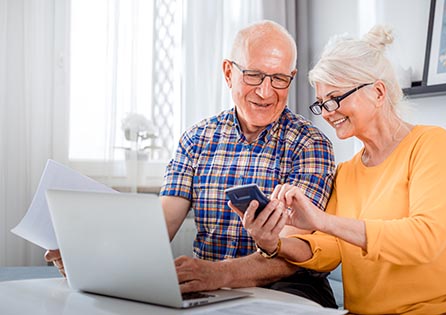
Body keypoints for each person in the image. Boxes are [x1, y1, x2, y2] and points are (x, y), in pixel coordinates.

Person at [46, 20, 338, 308]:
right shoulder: (197, 139)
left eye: (279, 79)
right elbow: (160, 228)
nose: (265, 91)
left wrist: (217, 273)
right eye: (253, 75)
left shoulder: (310, 145)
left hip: (288, 290)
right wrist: (91, 260)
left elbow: (293, 255)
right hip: (214, 290)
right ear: (228, 72)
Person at [233, 25, 446, 314]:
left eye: (334, 98)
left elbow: (425, 238)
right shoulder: (346, 173)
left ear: (379, 92)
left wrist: (322, 220)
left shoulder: (432, 145)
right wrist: (275, 243)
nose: (329, 112)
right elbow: (328, 250)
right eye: (321, 104)